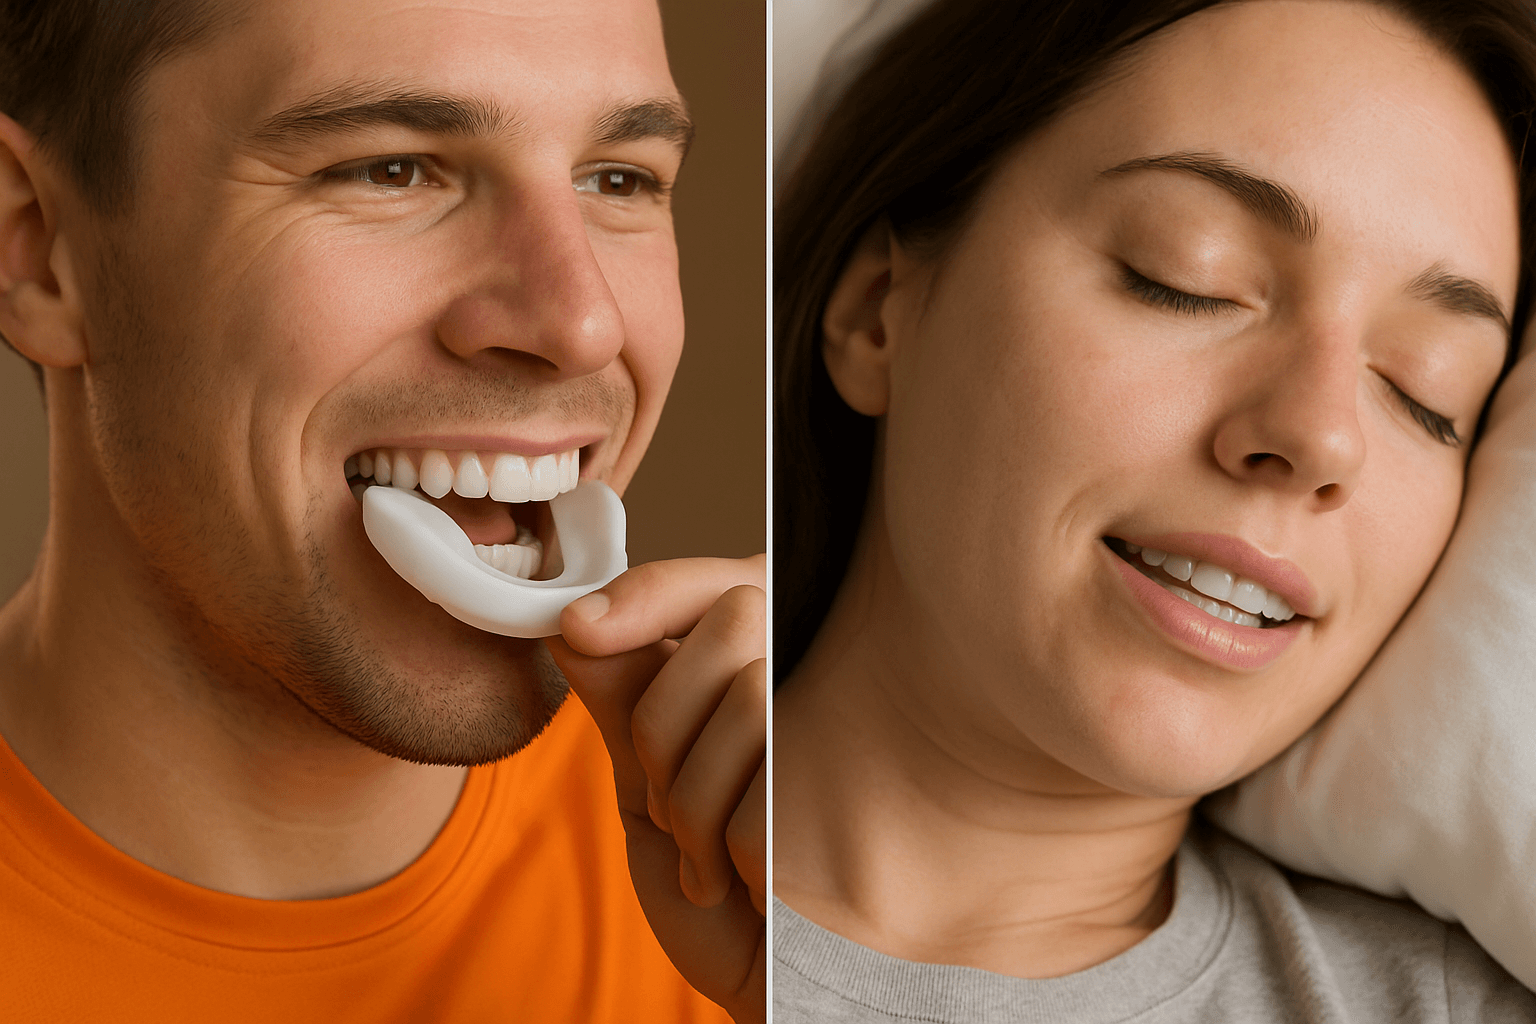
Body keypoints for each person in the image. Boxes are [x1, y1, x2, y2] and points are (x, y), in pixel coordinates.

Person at [0, 0, 764, 1020]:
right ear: (39, 248)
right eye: (390, 169)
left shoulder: (764, 873)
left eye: (618, 179)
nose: (582, 323)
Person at [772, 0, 1536, 1019]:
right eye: (1186, 276)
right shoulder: (555, 861)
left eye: (1425, 391)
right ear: (879, 309)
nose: (1321, 437)